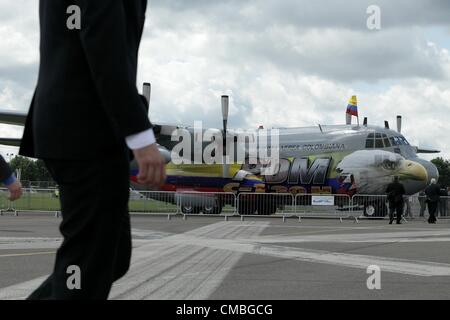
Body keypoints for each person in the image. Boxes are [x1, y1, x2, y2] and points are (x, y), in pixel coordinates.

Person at [19, 1, 166, 299]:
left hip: (73, 127)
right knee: (86, 270)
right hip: (87, 131)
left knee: (109, 259)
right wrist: (139, 134)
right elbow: (102, 45)